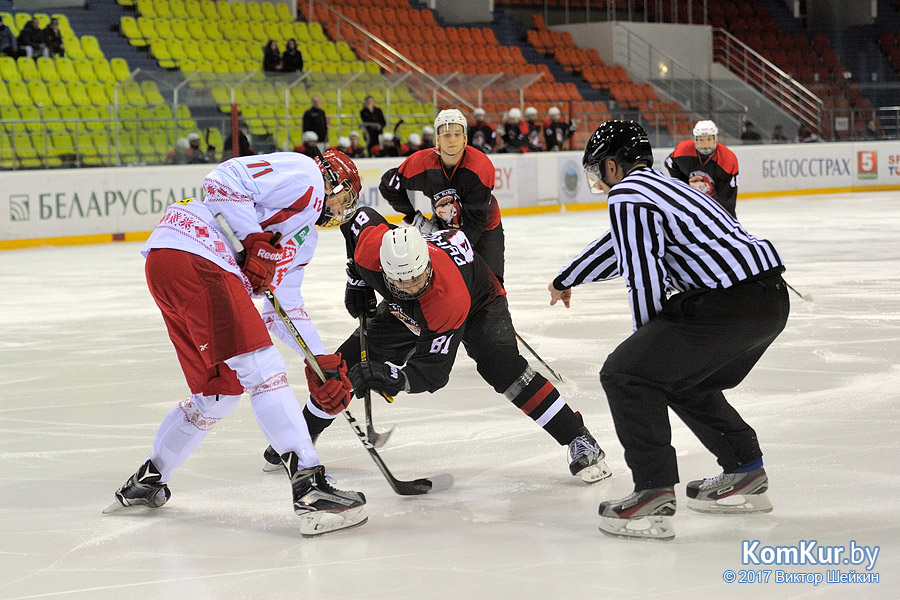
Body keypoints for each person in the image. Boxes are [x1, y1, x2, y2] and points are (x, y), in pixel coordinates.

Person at [105, 150, 369, 537]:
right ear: (335, 182)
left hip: (173, 263)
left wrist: (320, 361)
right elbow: (221, 181)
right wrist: (254, 241)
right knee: (263, 371)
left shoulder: (305, 236)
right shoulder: (307, 174)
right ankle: (310, 489)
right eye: (345, 198)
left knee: (220, 392)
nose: (342, 208)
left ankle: (147, 480)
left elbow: (285, 306)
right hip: (198, 255)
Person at [548, 120, 788, 541]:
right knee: (684, 382)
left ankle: (653, 490)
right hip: (768, 301)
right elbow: (621, 245)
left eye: (598, 172)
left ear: (611, 166)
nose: (600, 183)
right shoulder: (664, 187)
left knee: (626, 374)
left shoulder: (627, 193)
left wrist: (647, 347)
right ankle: (744, 469)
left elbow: (642, 273)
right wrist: (568, 278)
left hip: (729, 302)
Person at [275, 206, 611, 486]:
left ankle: (578, 437)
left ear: (427, 264)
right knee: (344, 364)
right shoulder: (370, 250)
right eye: (401, 281)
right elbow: (359, 218)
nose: (410, 286)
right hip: (405, 309)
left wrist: (393, 376)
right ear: (385, 269)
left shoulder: (446, 300)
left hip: (479, 302)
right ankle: (298, 441)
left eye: (417, 277)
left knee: (503, 368)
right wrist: (358, 280)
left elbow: (432, 373)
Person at [379, 109, 506, 282]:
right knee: (442, 283)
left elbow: (476, 222)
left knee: (491, 285)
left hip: (485, 230)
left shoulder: (480, 167)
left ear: (465, 139)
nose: (452, 139)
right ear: (437, 139)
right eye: (446, 135)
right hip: (444, 223)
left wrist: (452, 250)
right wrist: (413, 217)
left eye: (457, 134)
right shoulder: (421, 163)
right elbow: (389, 185)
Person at [665, 120, 740, 218]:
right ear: (695, 140)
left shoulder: (727, 159)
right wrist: (684, 186)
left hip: (715, 203)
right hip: (692, 203)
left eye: (709, 139)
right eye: (701, 140)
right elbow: (670, 163)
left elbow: (727, 199)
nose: (705, 144)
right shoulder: (683, 151)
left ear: (715, 139)